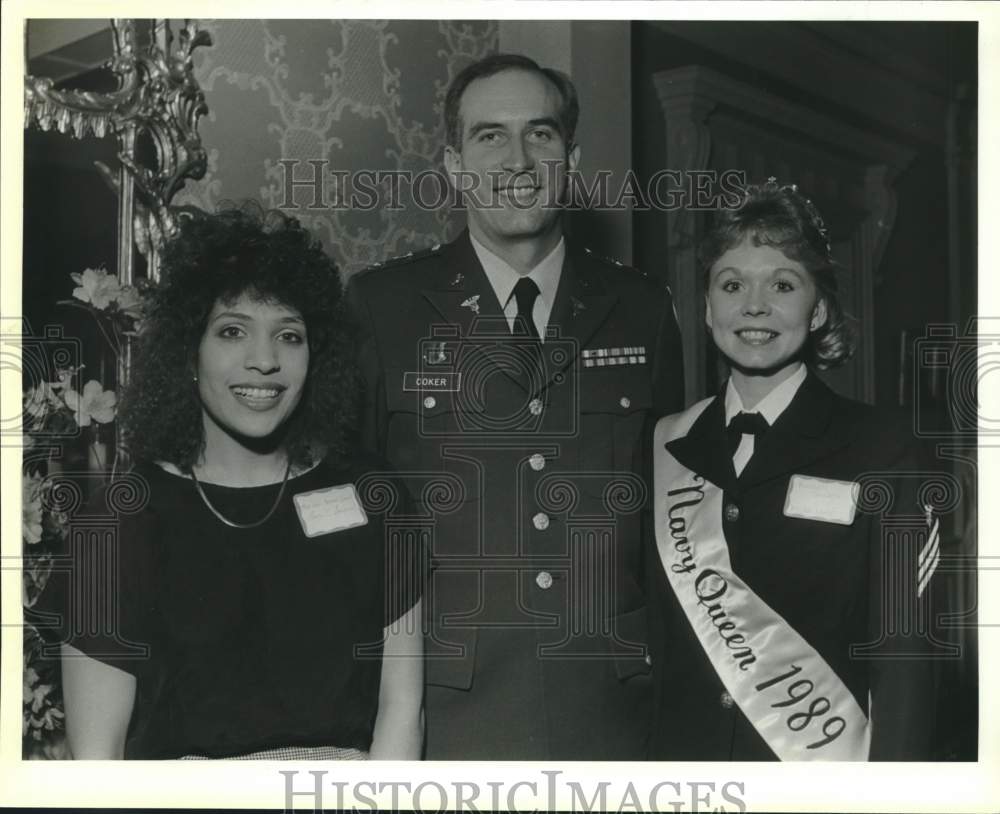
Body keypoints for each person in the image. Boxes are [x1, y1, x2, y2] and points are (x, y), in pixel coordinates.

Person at [346, 54, 685, 760]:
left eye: (541, 134)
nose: (519, 158)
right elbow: (350, 519)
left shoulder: (642, 311)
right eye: (490, 136)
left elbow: (675, 516)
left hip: (613, 709)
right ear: (454, 164)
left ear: (572, 157)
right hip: (442, 712)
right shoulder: (383, 309)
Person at [47, 204, 423, 759]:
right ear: (189, 352)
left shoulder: (374, 496)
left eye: (289, 336)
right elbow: (95, 769)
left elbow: (402, 715)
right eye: (232, 331)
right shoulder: (119, 523)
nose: (265, 361)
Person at [646, 179, 942, 760]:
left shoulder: (881, 449)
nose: (754, 305)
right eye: (732, 285)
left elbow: (907, 660)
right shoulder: (666, 444)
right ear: (707, 308)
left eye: (783, 284)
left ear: (820, 306)